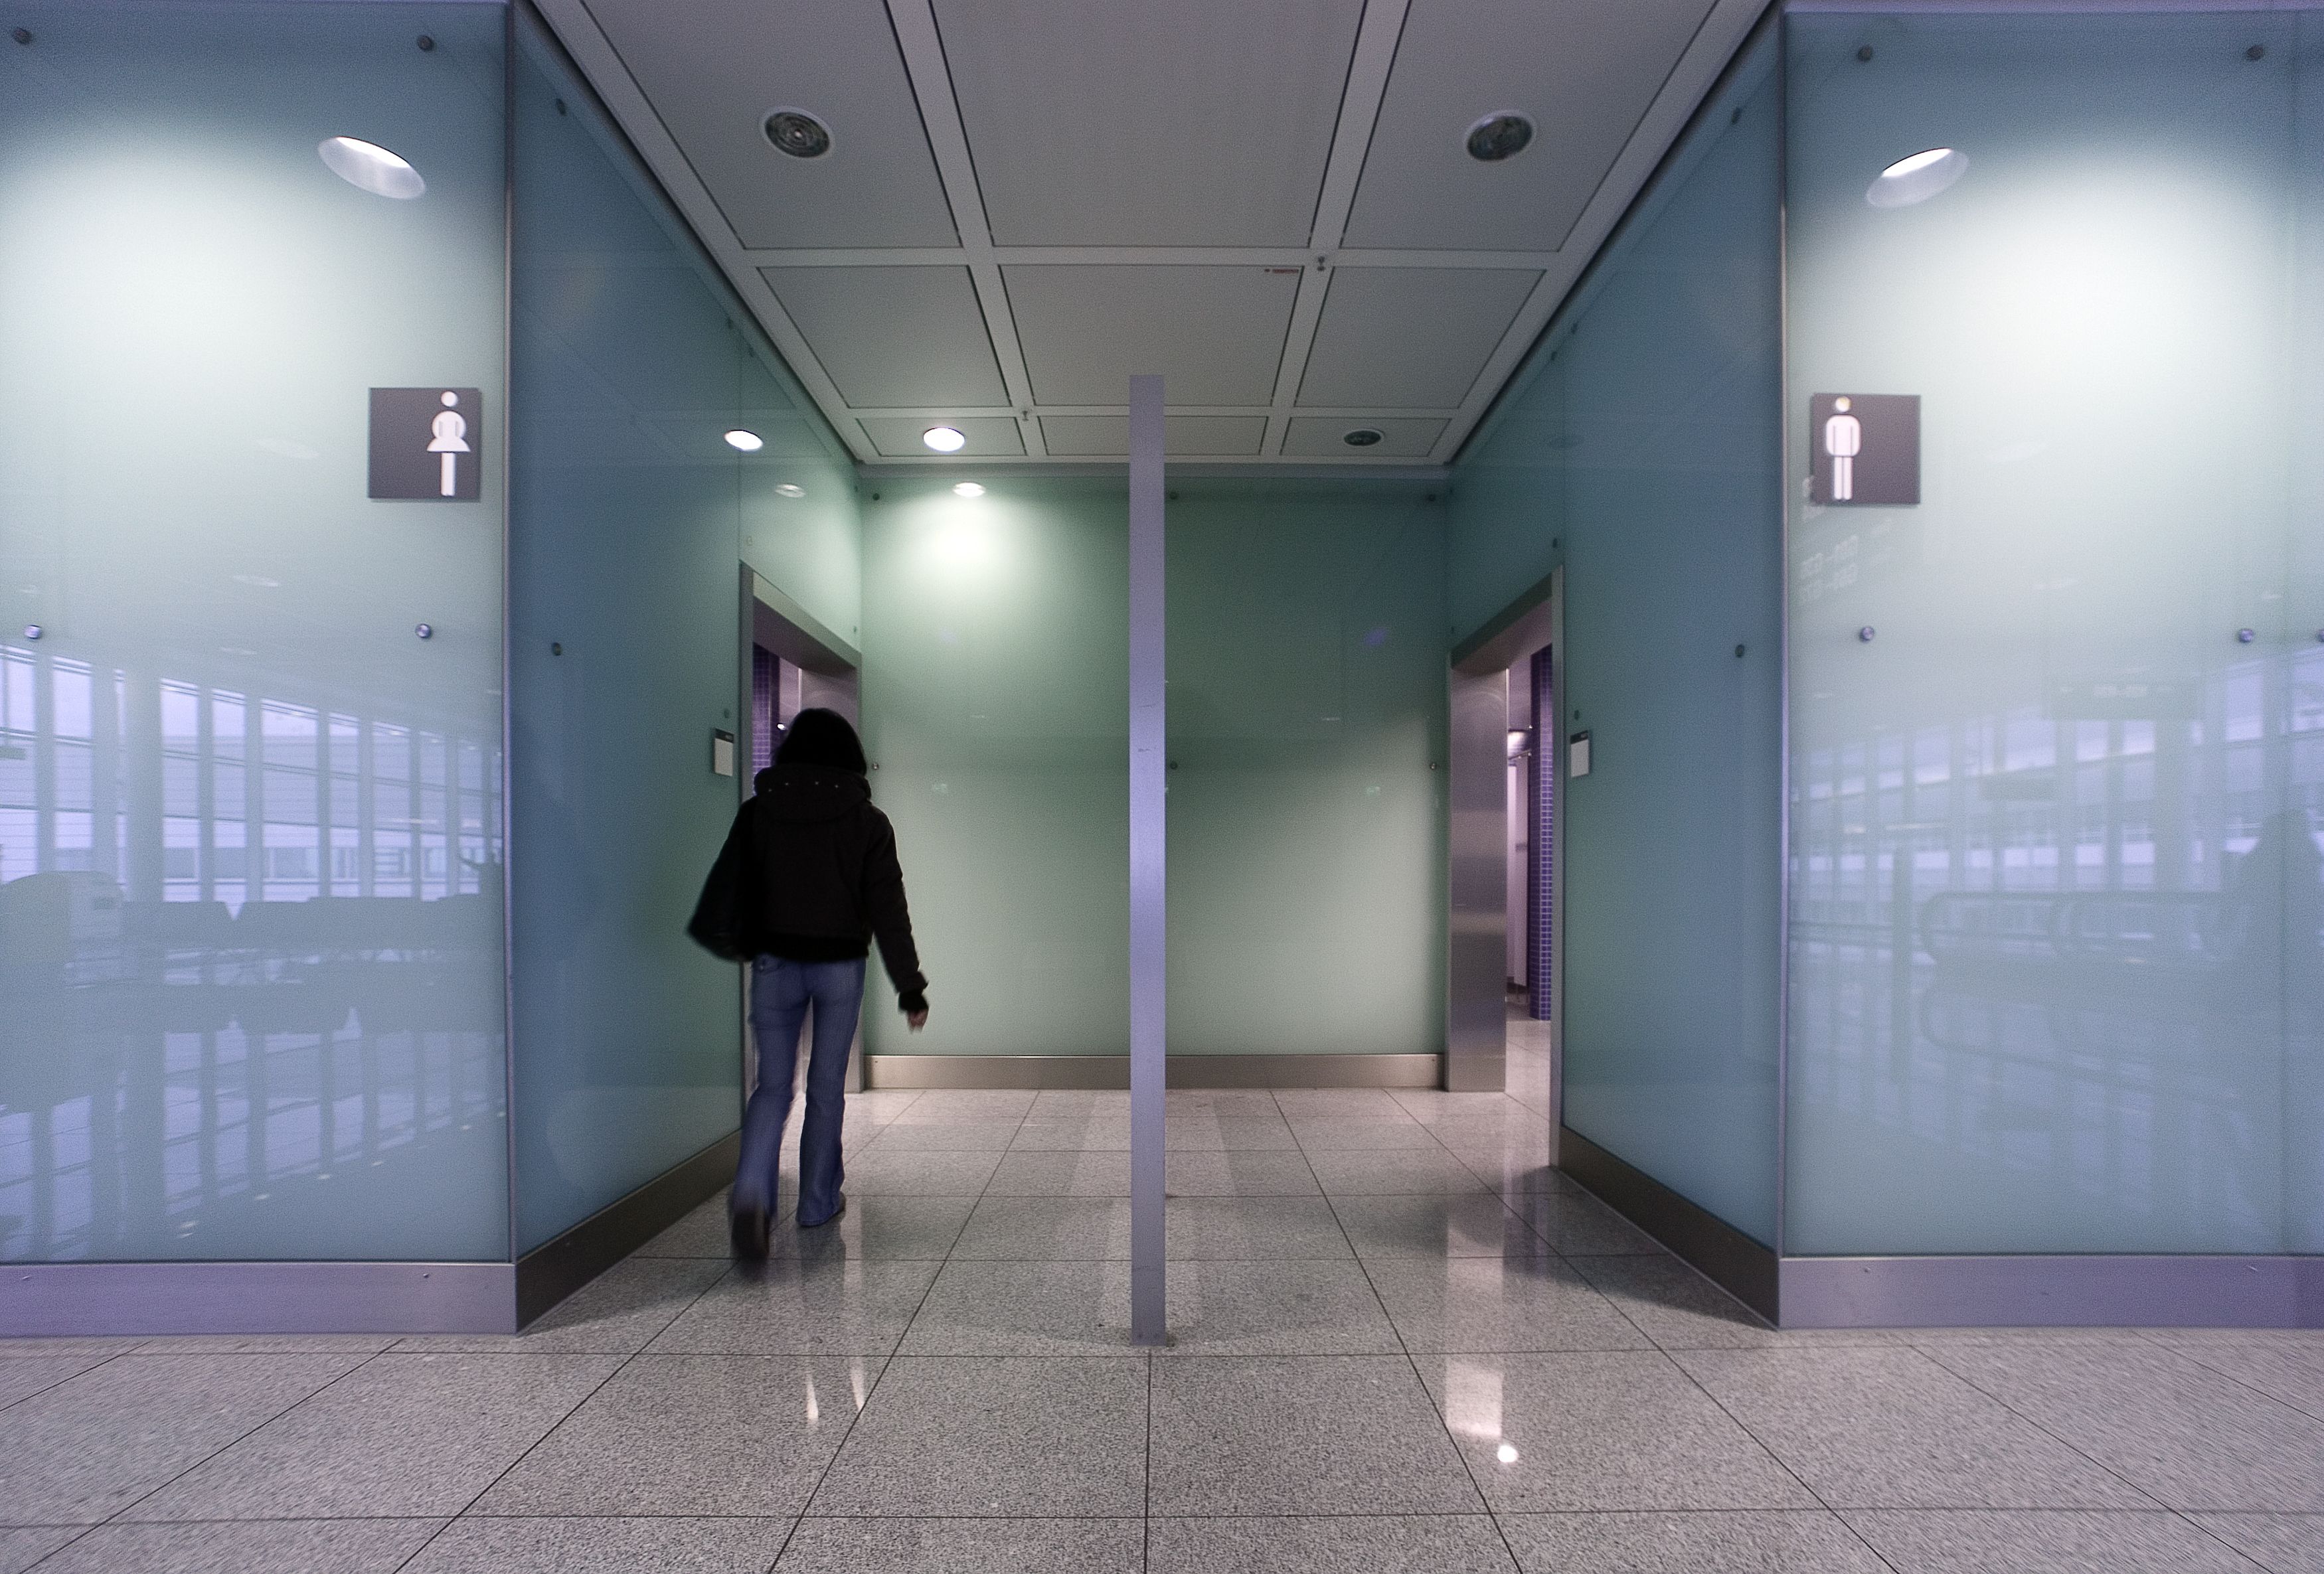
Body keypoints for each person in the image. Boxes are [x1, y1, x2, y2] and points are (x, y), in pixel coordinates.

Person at [690, 708, 927, 1256]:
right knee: (826, 1088)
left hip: (774, 963)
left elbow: (733, 883)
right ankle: (818, 1202)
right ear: (848, 755)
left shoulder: (758, 813)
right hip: (840, 966)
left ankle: (752, 1195)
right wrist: (910, 986)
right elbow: (889, 910)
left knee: (772, 1086)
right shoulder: (869, 822)